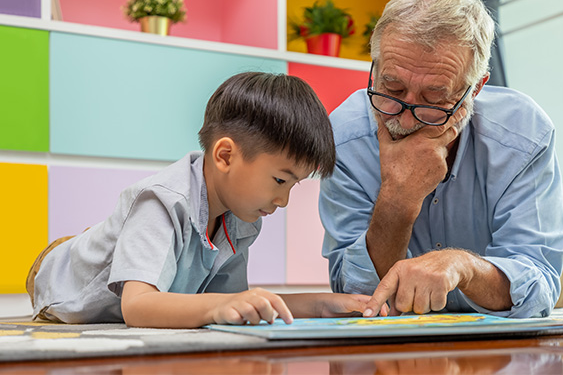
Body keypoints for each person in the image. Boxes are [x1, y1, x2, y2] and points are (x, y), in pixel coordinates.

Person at [319, 0, 563, 319]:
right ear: (375, 66)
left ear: (475, 89)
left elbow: (537, 283)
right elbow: (356, 294)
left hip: (494, 273)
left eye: (434, 98)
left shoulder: (522, 133)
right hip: (413, 306)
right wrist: (399, 198)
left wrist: (463, 266)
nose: (406, 115)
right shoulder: (344, 136)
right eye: (392, 87)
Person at [26, 72, 387, 328]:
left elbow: (238, 301)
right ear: (225, 156)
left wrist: (326, 303)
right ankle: (85, 245)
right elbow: (138, 307)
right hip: (61, 280)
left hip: (143, 285)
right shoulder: (163, 201)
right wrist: (221, 305)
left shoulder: (241, 221)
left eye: (293, 185)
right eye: (280, 179)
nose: (284, 200)